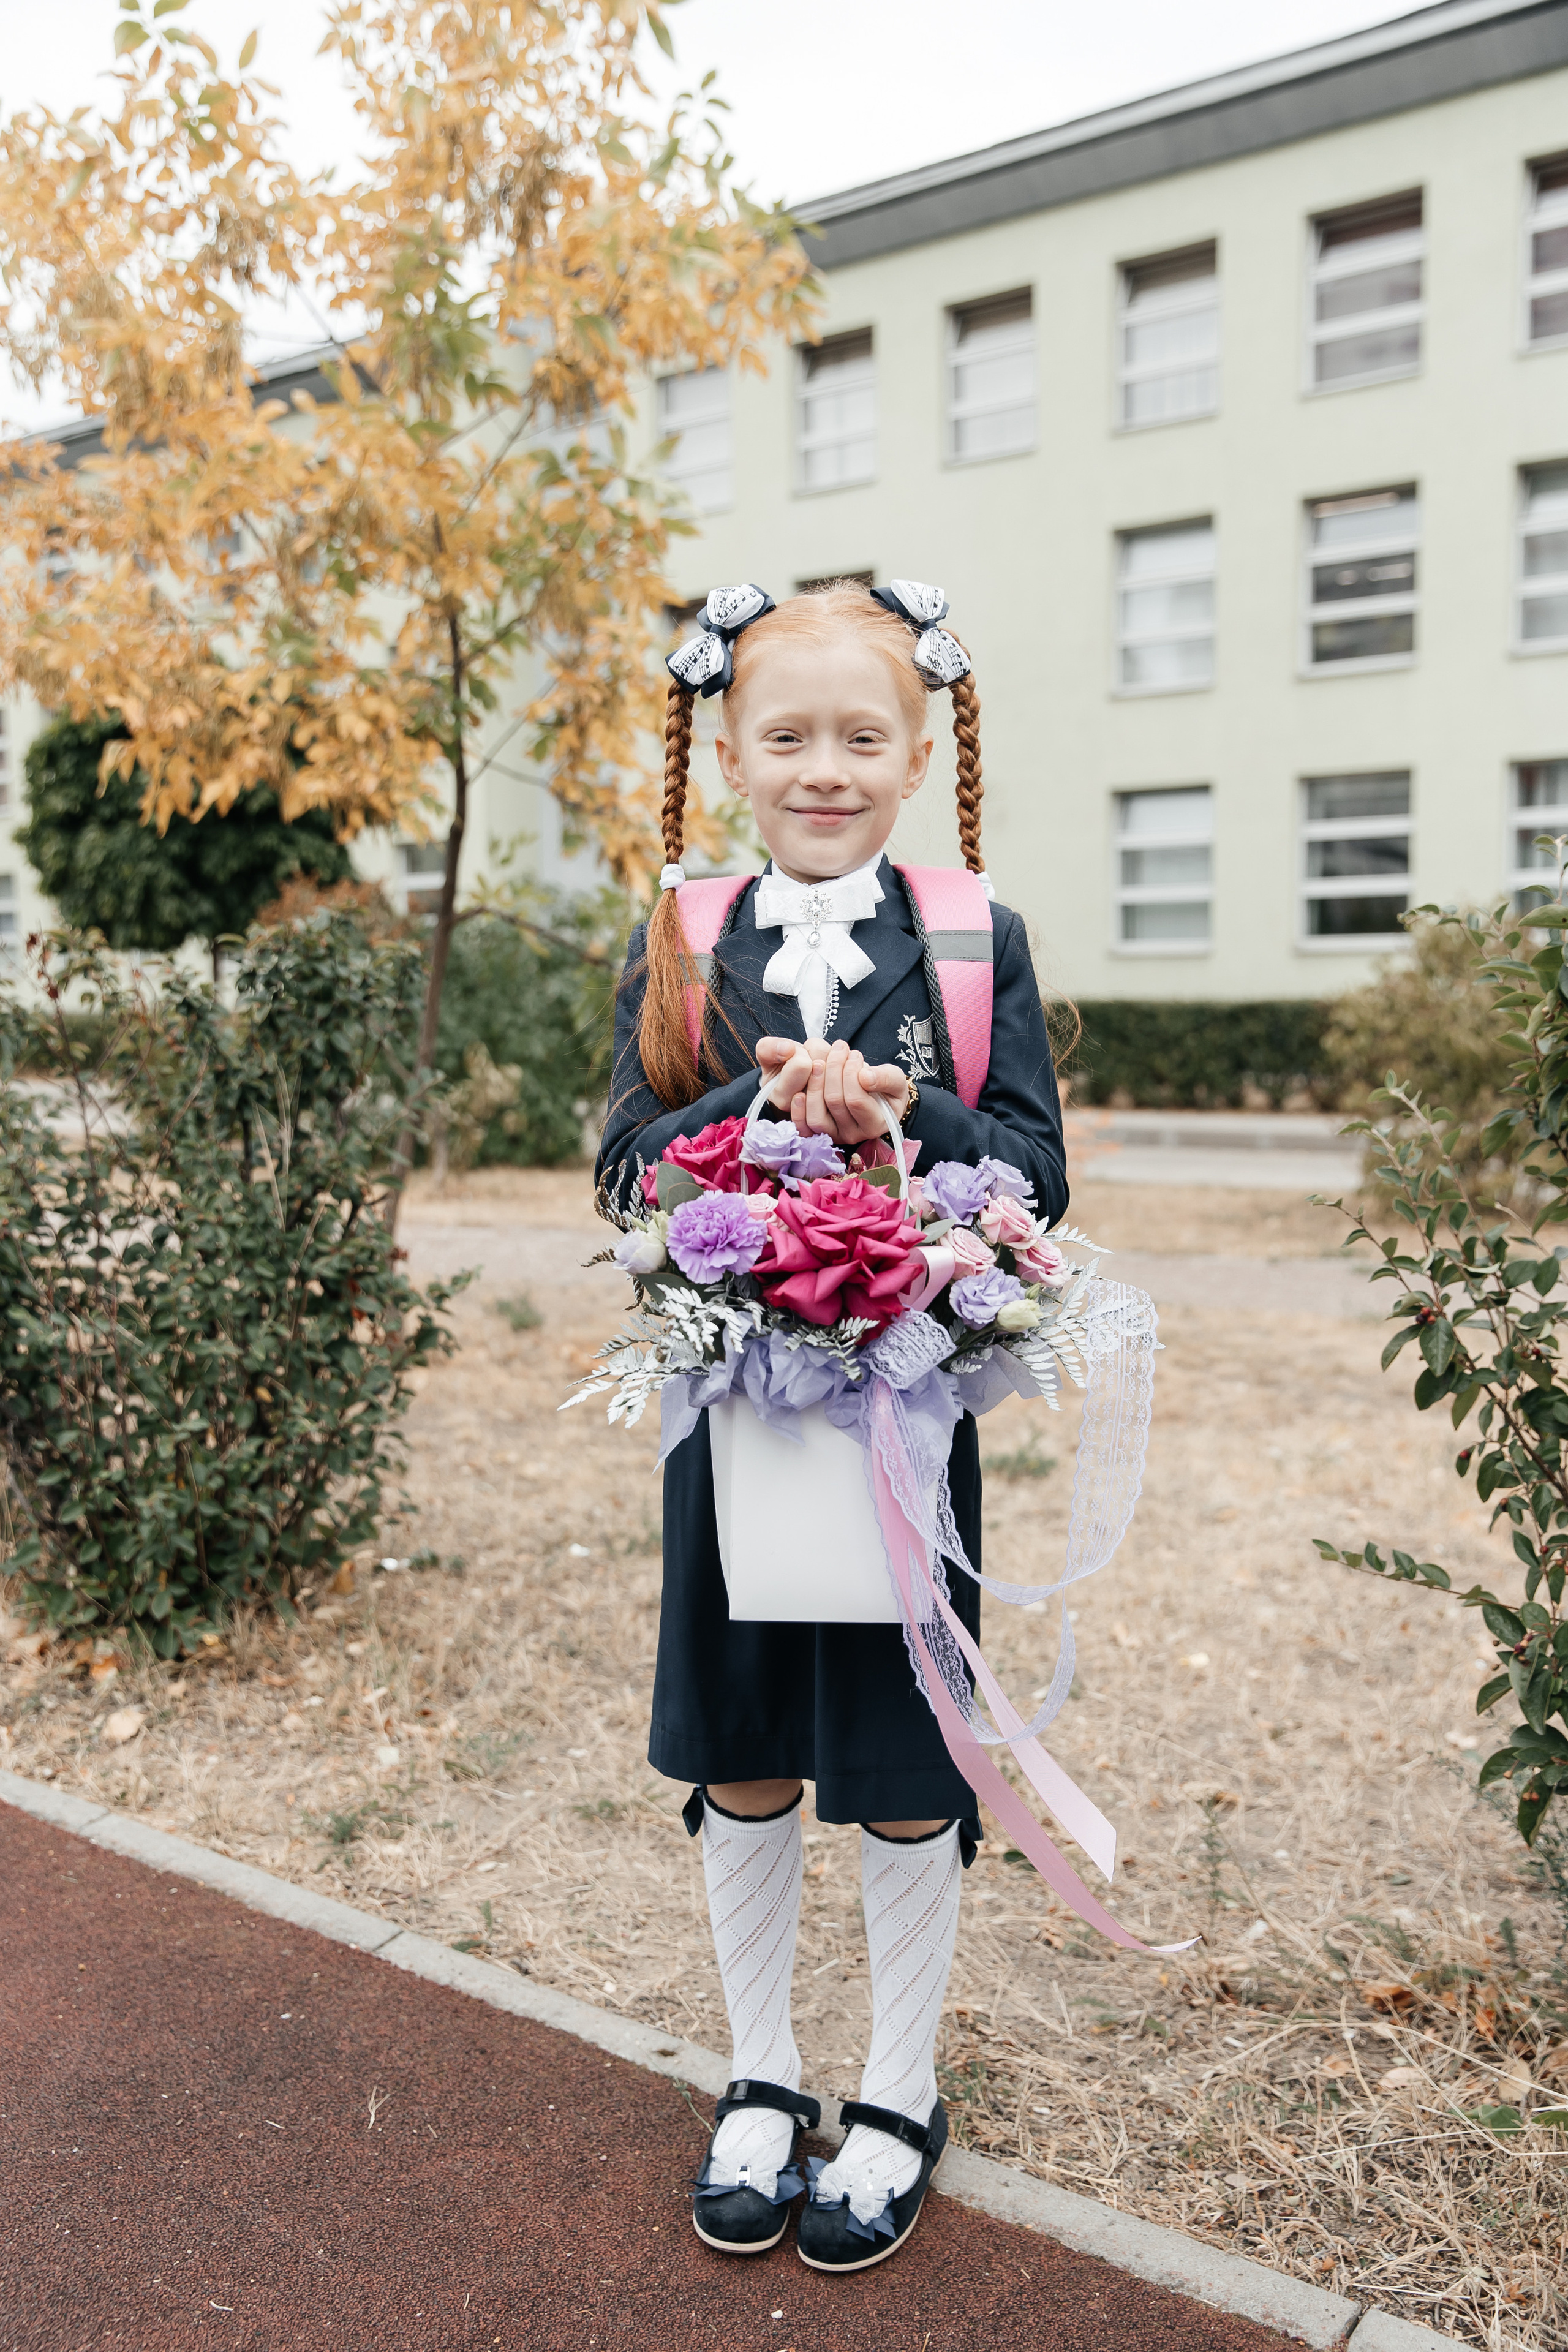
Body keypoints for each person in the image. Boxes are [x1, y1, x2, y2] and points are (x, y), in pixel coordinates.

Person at [596, 578, 1068, 2272]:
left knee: (896, 1754)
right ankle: (761, 2073)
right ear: (730, 746)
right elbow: (620, 1166)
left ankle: (896, 2089)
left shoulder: (966, 938)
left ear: (916, 747)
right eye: (787, 735)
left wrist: (901, 1106)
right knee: (745, 1738)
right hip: (733, 1426)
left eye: (862, 736)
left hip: (902, 1429)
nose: (825, 767)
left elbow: (1036, 1168)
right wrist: (755, 1096)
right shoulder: (682, 930)